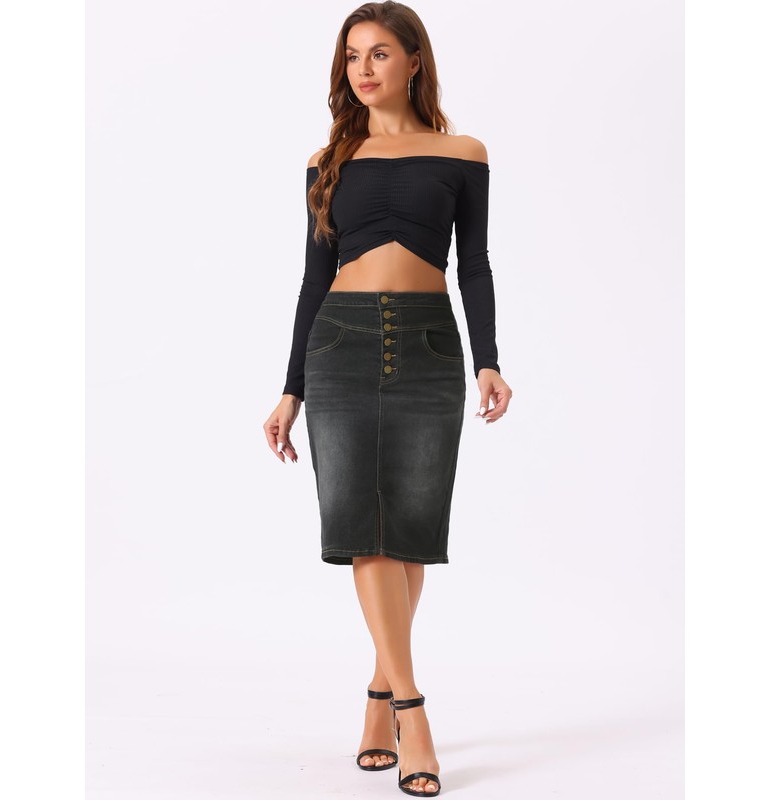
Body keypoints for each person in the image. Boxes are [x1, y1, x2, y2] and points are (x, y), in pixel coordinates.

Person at [263, 2, 511, 795]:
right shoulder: (330, 159)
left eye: (378, 53)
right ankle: (411, 708)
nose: (363, 69)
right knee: (361, 528)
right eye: (351, 56)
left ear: (413, 61)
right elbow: (313, 278)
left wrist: (489, 361)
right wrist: (291, 388)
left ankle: (377, 694)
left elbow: (475, 263)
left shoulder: (463, 154)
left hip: (432, 344)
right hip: (340, 343)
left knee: (407, 533)